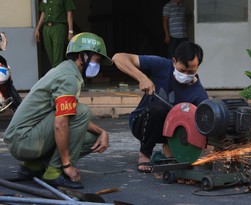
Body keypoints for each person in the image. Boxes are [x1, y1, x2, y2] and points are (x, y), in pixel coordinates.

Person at [4, 32, 112, 189]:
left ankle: (33, 165)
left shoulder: (64, 70)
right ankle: (55, 172)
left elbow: (69, 116)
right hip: (24, 141)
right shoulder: (68, 78)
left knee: (90, 137)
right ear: (83, 55)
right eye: (97, 59)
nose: (98, 64)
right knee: (82, 112)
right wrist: (67, 165)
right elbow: (60, 124)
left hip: (22, 138)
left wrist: (101, 131)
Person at [112, 41, 208, 173]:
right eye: (182, 70)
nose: (185, 74)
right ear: (174, 62)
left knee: (190, 120)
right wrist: (142, 77)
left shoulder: (199, 94)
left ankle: (169, 147)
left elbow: (205, 124)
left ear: (198, 67)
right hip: (142, 124)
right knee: (159, 108)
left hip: (171, 132)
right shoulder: (162, 65)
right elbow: (118, 58)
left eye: (190, 71)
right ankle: (145, 154)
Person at [34, 0, 76, 68]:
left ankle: (57, 75)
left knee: (57, 56)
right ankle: (57, 73)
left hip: (58, 27)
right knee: (50, 55)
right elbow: (43, 13)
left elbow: (69, 13)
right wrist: (37, 29)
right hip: (46, 28)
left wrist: (70, 31)